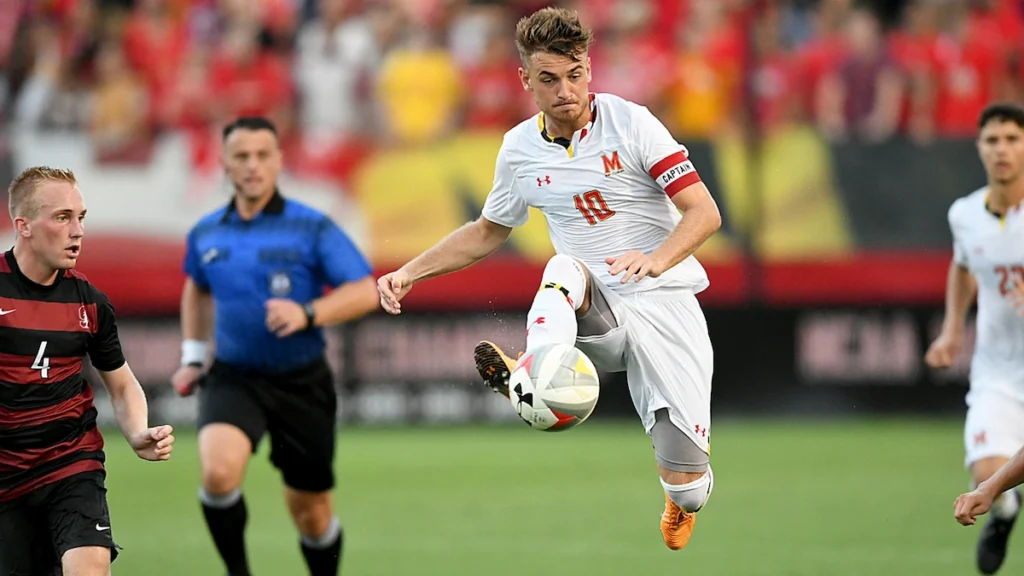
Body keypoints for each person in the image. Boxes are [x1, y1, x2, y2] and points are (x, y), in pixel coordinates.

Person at [377, 7, 722, 551]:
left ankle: (680, 496)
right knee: (561, 268)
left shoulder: (631, 122)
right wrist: (409, 272)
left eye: (576, 73)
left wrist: (656, 259)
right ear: (526, 81)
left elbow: (704, 212)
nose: (567, 90)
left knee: (691, 486)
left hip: (663, 302)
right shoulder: (518, 149)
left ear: (590, 69)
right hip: (595, 311)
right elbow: (488, 230)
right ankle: (535, 372)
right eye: (549, 79)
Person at [171, 116, 378, 576]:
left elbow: (365, 290)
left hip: (301, 382)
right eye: (241, 156)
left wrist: (308, 313)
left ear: (280, 162)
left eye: (263, 155)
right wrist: (192, 355)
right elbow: (197, 287)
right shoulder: (206, 232)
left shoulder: (312, 227)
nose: (252, 166)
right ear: (224, 164)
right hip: (233, 377)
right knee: (218, 474)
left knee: (311, 513)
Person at [0, 166, 175, 576]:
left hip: (71, 464)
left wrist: (137, 432)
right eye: (62, 218)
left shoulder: (90, 304)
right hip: (6, 475)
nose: (77, 231)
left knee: (90, 569)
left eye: (81, 218)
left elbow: (122, 383)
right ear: (22, 225)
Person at [928, 103, 1024, 575]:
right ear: (980, 148)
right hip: (998, 370)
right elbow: (963, 265)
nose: (1002, 149)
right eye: (993, 140)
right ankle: (1005, 512)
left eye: (1012, 138)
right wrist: (951, 330)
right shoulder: (965, 214)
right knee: (988, 472)